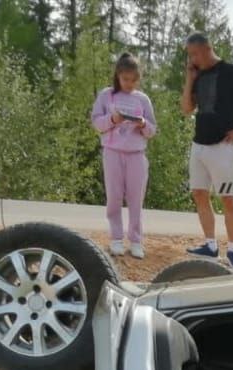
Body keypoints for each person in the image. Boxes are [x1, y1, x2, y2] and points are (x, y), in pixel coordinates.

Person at [181, 32, 233, 272]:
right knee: (199, 194)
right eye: (190, 55)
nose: (193, 59)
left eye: (195, 54)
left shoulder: (231, 71)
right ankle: (210, 244)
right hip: (199, 145)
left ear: (207, 49)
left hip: (223, 147)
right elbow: (187, 109)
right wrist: (189, 79)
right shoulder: (197, 75)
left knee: (228, 199)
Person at [90, 52, 158, 259]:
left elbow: (153, 130)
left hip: (136, 154)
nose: (129, 83)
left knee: (136, 199)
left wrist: (143, 124)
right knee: (114, 197)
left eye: (134, 80)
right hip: (112, 153)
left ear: (139, 78)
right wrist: (113, 119)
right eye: (125, 79)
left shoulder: (143, 99)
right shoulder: (106, 95)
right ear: (118, 76)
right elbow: (96, 123)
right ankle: (116, 238)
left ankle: (136, 241)